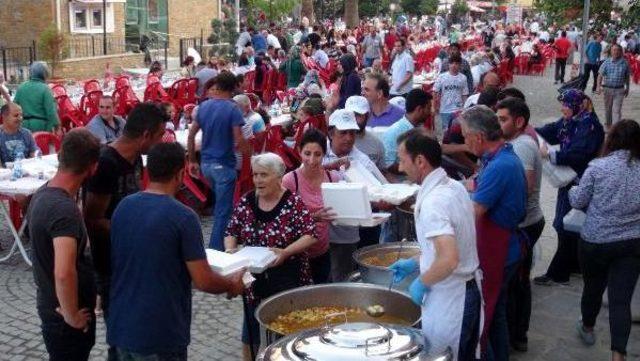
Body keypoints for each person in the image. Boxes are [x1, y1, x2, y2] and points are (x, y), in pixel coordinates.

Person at [107, 142, 245, 360]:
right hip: (161, 333)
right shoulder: (183, 217)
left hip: (121, 325)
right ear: (181, 174)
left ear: (147, 171)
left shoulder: (123, 207)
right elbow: (203, 280)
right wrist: (232, 284)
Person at [390, 128, 481, 361]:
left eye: (402, 160)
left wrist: (422, 281)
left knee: (447, 355)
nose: (400, 168)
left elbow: (449, 259)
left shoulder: (434, 202)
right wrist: (414, 262)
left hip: (452, 297)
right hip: (465, 289)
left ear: (420, 161)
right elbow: (453, 244)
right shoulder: (454, 186)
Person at [84, 102, 167, 338]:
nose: (161, 141)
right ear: (145, 135)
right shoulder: (107, 163)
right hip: (111, 263)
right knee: (120, 332)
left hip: (134, 257)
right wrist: (134, 232)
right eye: (159, 135)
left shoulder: (137, 159)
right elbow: (92, 218)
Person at [225, 153, 317, 358]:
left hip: (287, 277)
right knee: (250, 330)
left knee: (284, 331)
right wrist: (230, 252)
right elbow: (231, 231)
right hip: (253, 279)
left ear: (278, 176)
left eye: (263, 175)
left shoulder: (292, 203)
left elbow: (310, 235)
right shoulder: (247, 201)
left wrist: (285, 252)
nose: (257, 180)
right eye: (255, 174)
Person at [459, 105, 526, 361]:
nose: (464, 141)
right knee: (495, 312)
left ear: (479, 137)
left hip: (499, 250)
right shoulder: (499, 157)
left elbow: (473, 212)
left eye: (465, 136)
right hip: (503, 246)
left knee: (484, 316)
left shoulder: (501, 165)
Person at [569, 119, 640, 361]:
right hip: (632, 242)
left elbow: (578, 201)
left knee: (593, 288)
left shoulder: (597, 168)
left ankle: (588, 327)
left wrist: (572, 190)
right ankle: (617, 354)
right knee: (621, 300)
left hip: (596, 240)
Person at [28, 129, 101, 361]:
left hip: (52, 306)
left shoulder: (43, 193)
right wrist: (71, 315)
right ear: (93, 167)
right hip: (63, 316)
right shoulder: (63, 210)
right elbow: (63, 272)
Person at [534, 89, 604, 286]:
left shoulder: (589, 125)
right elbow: (550, 130)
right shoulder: (570, 121)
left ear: (577, 105)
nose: (562, 108)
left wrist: (550, 155)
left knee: (565, 223)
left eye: (566, 104)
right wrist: (529, 132)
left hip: (580, 182)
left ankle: (559, 272)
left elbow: (579, 154)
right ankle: (574, 265)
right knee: (569, 224)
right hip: (569, 180)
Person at [496, 98, 545, 352]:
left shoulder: (522, 146)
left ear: (519, 121)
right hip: (524, 222)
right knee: (517, 281)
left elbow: (524, 188)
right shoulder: (516, 143)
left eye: (503, 119)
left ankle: (517, 335)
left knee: (518, 282)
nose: (498, 123)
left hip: (525, 224)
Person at [323, 109, 387, 281]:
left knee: (342, 278)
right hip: (319, 233)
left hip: (346, 235)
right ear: (331, 132)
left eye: (352, 133)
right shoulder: (317, 152)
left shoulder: (363, 161)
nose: (349, 138)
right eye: (343, 133)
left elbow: (381, 191)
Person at [188, 72, 249, 251]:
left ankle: (228, 241)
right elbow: (239, 139)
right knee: (223, 212)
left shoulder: (203, 107)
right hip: (224, 166)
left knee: (222, 208)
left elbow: (191, 135)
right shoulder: (232, 108)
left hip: (206, 166)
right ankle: (216, 250)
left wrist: (192, 160)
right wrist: (250, 156)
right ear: (233, 88)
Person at [283, 129, 340, 284]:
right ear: (299, 152)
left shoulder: (332, 177)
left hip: (323, 249)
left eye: (318, 154)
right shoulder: (290, 180)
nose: (312, 160)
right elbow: (283, 219)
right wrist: (314, 217)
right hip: (297, 252)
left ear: (324, 154)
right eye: (307, 153)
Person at [382, 89, 433, 171]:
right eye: (428, 108)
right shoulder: (394, 132)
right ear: (419, 109)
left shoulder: (421, 129)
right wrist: (416, 170)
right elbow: (389, 165)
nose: (430, 112)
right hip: (402, 182)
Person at [13, 61, 59, 132]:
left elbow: (13, 107)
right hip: (40, 126)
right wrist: (56, 126)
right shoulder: (45, 89)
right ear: (44, 74)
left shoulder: (21, 87)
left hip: (23, 126)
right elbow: (51, 112)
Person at [345, 95, 385, 169]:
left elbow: (383, 172)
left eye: (357, 115)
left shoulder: (376, 143)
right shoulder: (335, 142)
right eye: (350, 114)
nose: (353, 119)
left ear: (368, 116)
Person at [597, 44, 630, 127]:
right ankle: (608, 126)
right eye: (614, 50)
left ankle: (616, 128)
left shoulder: (625, 63)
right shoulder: (606, 62)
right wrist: (598, 86)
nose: (616, 52)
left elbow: (627, 77)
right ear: (611, 52)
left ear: (621, 52)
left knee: (617, 110)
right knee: (608, 110)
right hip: (607, 89)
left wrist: (627, 88)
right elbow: (600, 75)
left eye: (618, 50)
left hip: (619, 90)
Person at [434, 55, 469, 132]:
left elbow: (464, 94)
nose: (454, 65)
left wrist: (465, 108)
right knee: (446, 132)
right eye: (452, 63)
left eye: (456, 63)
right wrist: (435, 106)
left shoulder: (463, 78)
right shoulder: (441, 77)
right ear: (448, 64)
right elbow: (435, 91)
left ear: (460, 65)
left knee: (457, 131)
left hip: (458, 109)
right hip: (445, 109)